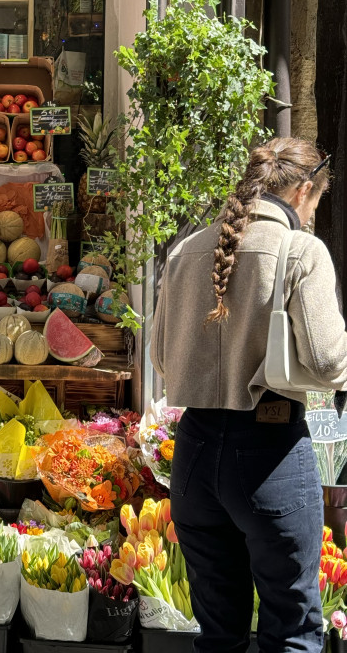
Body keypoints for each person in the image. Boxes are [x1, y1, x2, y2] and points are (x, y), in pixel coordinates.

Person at [151, 137, 347, 653]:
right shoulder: (302, 250)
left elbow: (162, 359)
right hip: (269, 450)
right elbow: (329, 360)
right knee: (292, 630)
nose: (311, 216)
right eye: (315, 205)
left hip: (191, 452)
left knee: (218, 634)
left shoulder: (186, 251)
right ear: (305, 189)